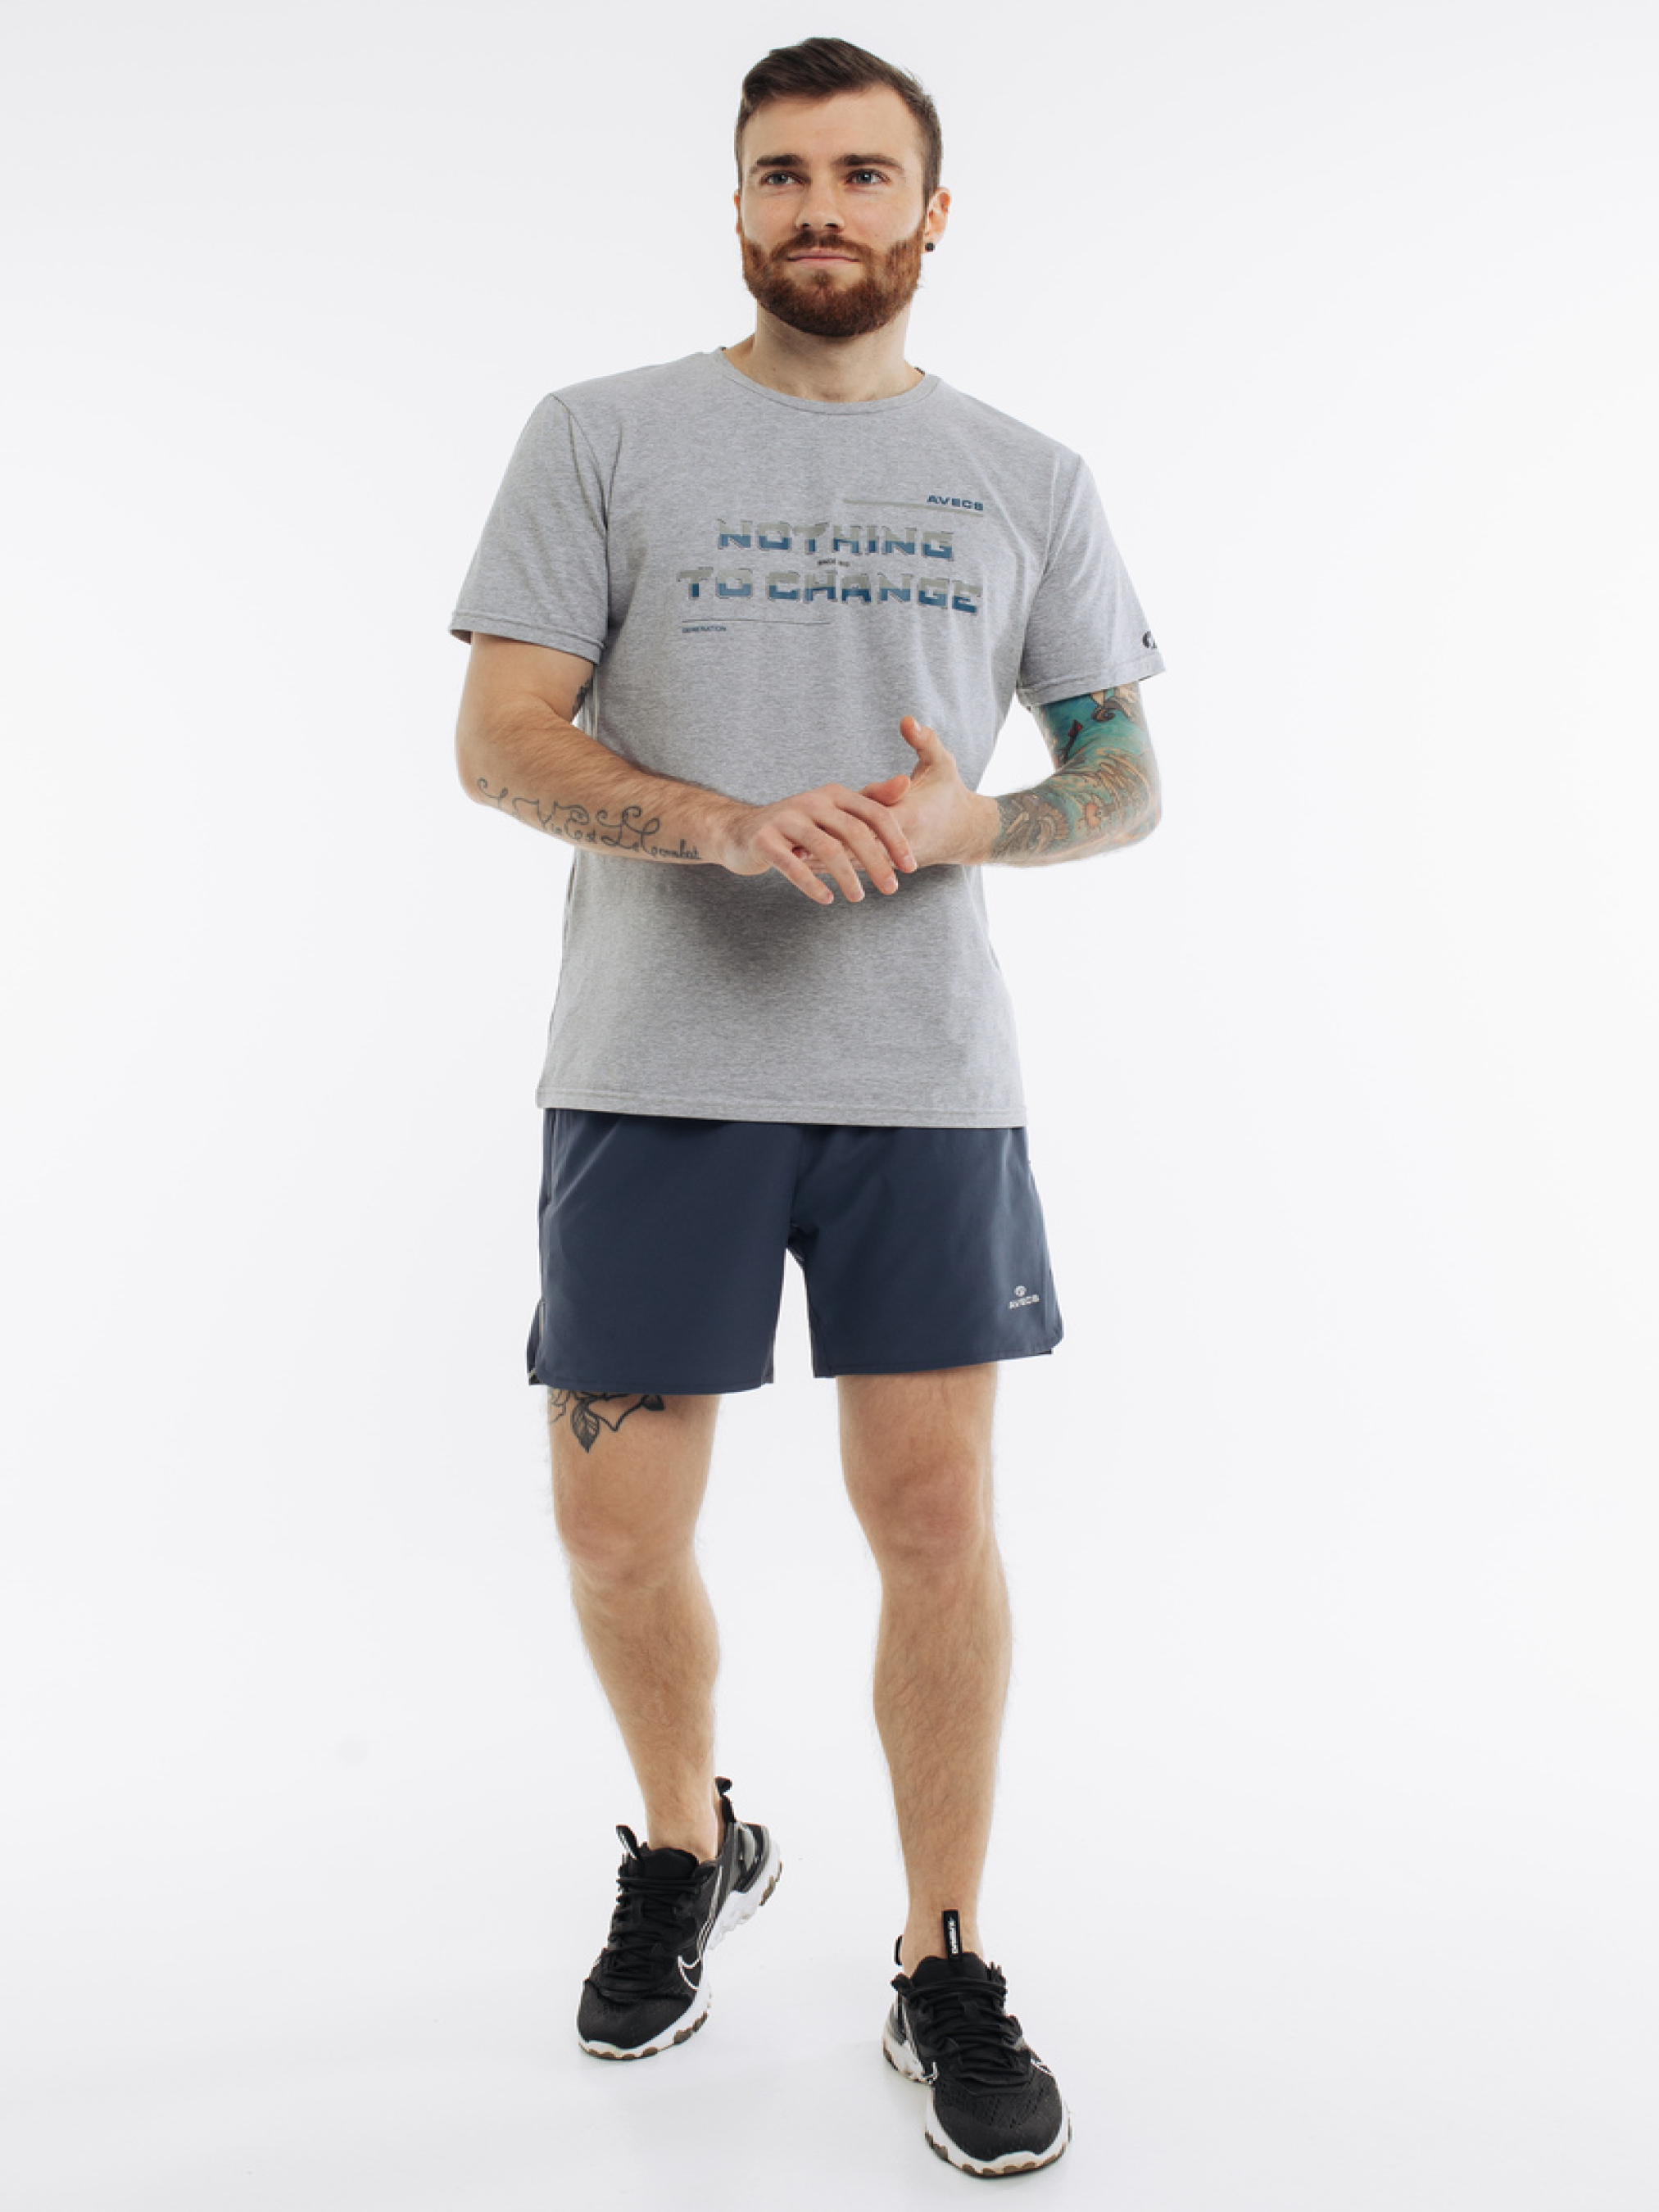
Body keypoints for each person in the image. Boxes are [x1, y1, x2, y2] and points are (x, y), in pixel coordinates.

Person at [446, 34, 1165, 2181]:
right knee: (613, 1525)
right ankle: (691, 1843)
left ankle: (943, 1953)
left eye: (863, 173)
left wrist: (972, 825)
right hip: (651, 1063)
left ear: (931, 213)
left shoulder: (1026, 474)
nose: (821, 207)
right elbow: (499, 735)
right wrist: (715, 820)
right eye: (782, 173)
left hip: (918, 1084)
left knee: (933, 1522)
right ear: (739, 205)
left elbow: (1121, 778)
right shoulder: (599, 435)